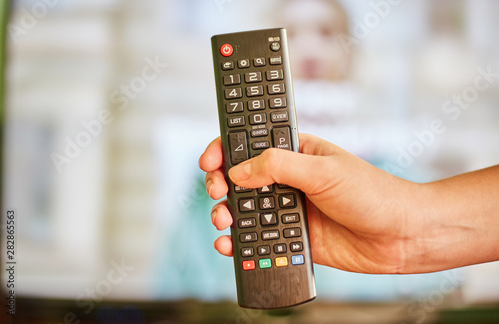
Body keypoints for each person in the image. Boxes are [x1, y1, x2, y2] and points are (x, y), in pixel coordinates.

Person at [199, 134, 499, 274]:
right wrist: (404, 232)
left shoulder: (396, 165)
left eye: (328, 33)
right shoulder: (193, 207)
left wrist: (405, 227)